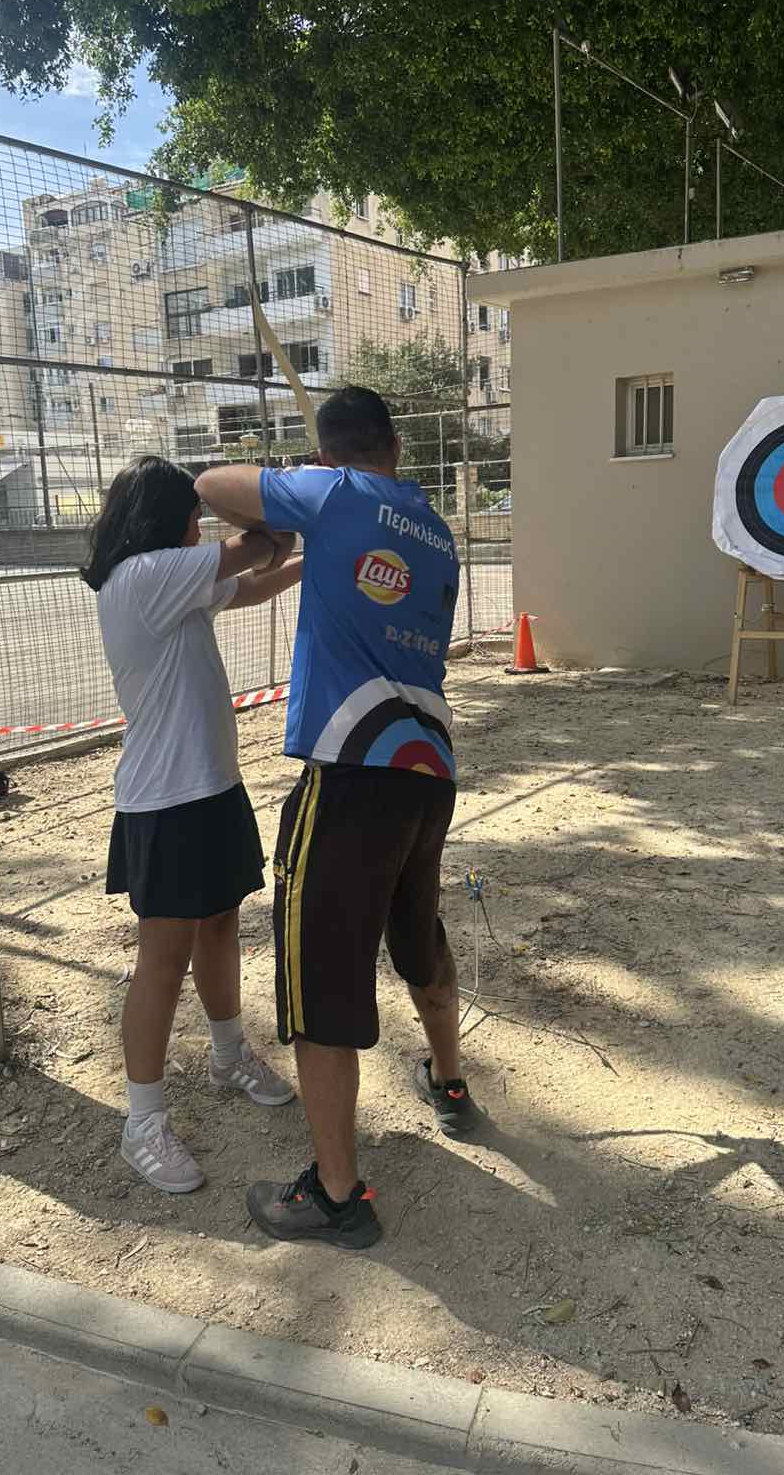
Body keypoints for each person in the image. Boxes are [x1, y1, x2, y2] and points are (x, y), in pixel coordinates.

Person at [195, 386, 476, 1250]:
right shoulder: (434, 528)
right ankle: (450, 1080)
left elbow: (211, 484)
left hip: (351, 775)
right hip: (427, 766)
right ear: (395, 446)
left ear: (328, 456)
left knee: (320, 981)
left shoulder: (333, 493)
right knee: (417, 930)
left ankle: (336, 1193)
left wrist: (293, 493)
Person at [81, 455, 302, 1193]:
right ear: (169, 519)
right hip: (165, 802)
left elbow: (253, 582)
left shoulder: (170, 582)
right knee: (162, 959)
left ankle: (228, 1055)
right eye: (194, 517)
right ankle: (141, 1124)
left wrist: (311, 561)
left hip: (209, 788)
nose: (200, 528)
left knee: (219, 926)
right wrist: (288, 511)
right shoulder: (143, 577)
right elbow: (257, 548)